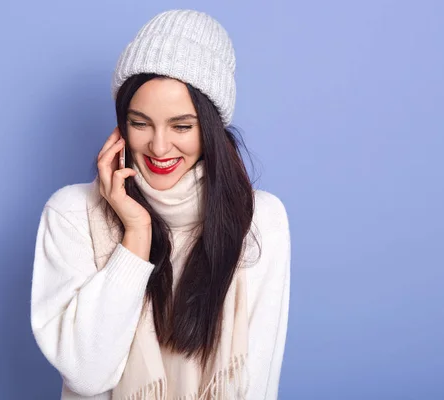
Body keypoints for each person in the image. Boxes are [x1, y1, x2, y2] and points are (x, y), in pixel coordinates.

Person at [30, 9, 291, 400]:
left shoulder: (259, 220)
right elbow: (88, 374)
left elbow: (258, 381)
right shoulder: (71, 213)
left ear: (212, 130)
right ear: (121, 126)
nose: (159, 147)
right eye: (140, 123)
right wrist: (135, 234)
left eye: (182, 126)